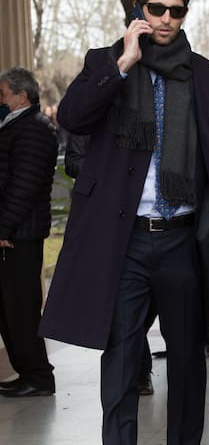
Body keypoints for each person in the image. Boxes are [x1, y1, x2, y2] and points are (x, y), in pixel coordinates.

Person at [39, 0, 209, 445]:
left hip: (182, 239)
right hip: (125, 242)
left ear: (185, 15)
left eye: (175, 11)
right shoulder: (103, 63)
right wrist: (122, 65)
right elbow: (71, 118)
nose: (165, 19)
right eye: (156, 9)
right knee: (119, 360)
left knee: (186, 356)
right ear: (138, 10)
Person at [64, 132, 154, 395]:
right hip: (107, 218)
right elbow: (73, 162)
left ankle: (137, 364)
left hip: (146, 221)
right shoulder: (91, 116)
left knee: (146, 304)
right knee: (123, 304)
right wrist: (111, 170)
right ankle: (137, 369)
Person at [0, 67, 57, 397]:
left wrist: (4, 226)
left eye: (4, 93)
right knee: (9, 308)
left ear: (22, 95)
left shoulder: (32, 128)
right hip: (12, 231)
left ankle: (37, 376)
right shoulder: (17, 123)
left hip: (19, 234)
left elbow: (24, 185)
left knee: (21, 307)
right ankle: (28, 372)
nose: (1, 99)